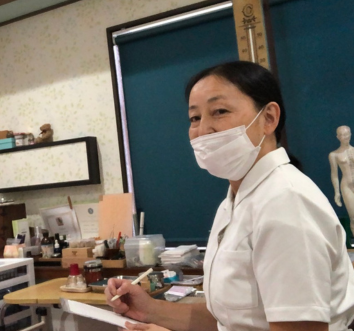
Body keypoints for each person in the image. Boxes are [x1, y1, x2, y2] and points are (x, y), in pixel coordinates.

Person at [106, 61, 354, 331]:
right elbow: (229, 320)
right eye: (194, 118)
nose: (203, 130)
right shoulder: (234, 203)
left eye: (219, 111)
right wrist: (150, 310)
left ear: (269, 118)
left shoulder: (286, 201)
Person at [330, 125, 354, 236]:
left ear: (350, 134)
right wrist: (337, 192)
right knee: (353, 216)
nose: (345, 137)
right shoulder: (334, 155)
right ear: (338, 137)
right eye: (342, 135)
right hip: (347, 186)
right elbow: (334, 175)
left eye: (347, 134)